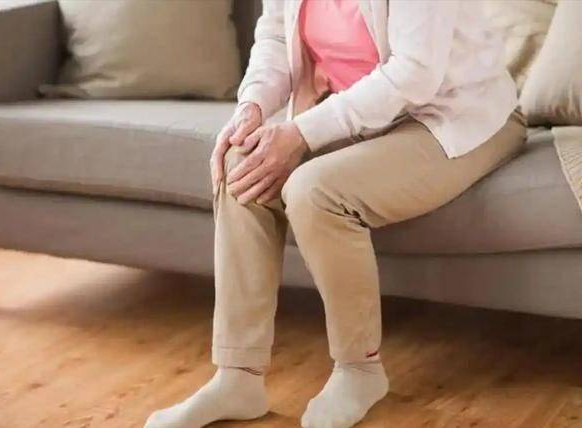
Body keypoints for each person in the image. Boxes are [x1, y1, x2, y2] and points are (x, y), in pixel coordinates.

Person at [145, 0, 526, 427]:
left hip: (453, 114)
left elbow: (414, 73)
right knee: (242, 165)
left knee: (316, 191)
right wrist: (251, 107)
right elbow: (275, 36)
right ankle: (238, 377)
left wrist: (301, 133)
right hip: (362, 113)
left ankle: (359, 370)